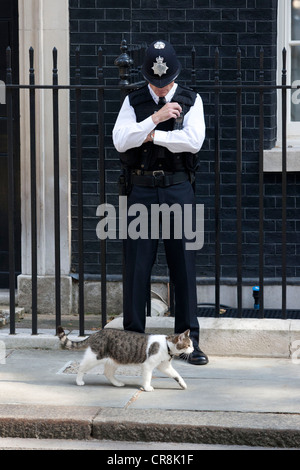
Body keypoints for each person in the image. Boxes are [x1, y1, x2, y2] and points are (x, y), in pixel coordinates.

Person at [112, 40, 208, 365]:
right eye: (156, 83)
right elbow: (120, 139)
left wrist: (154, 135)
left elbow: (193, 142)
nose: (161, 87)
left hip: (178, 189)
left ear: (175, 75)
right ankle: (133, 344)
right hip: (141, 188)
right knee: (137, 268)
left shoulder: (191, 99)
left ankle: (187, 342)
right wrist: (155, 118)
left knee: (183, 267)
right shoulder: (134, 100)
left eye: (166, 82)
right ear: (147, 78)